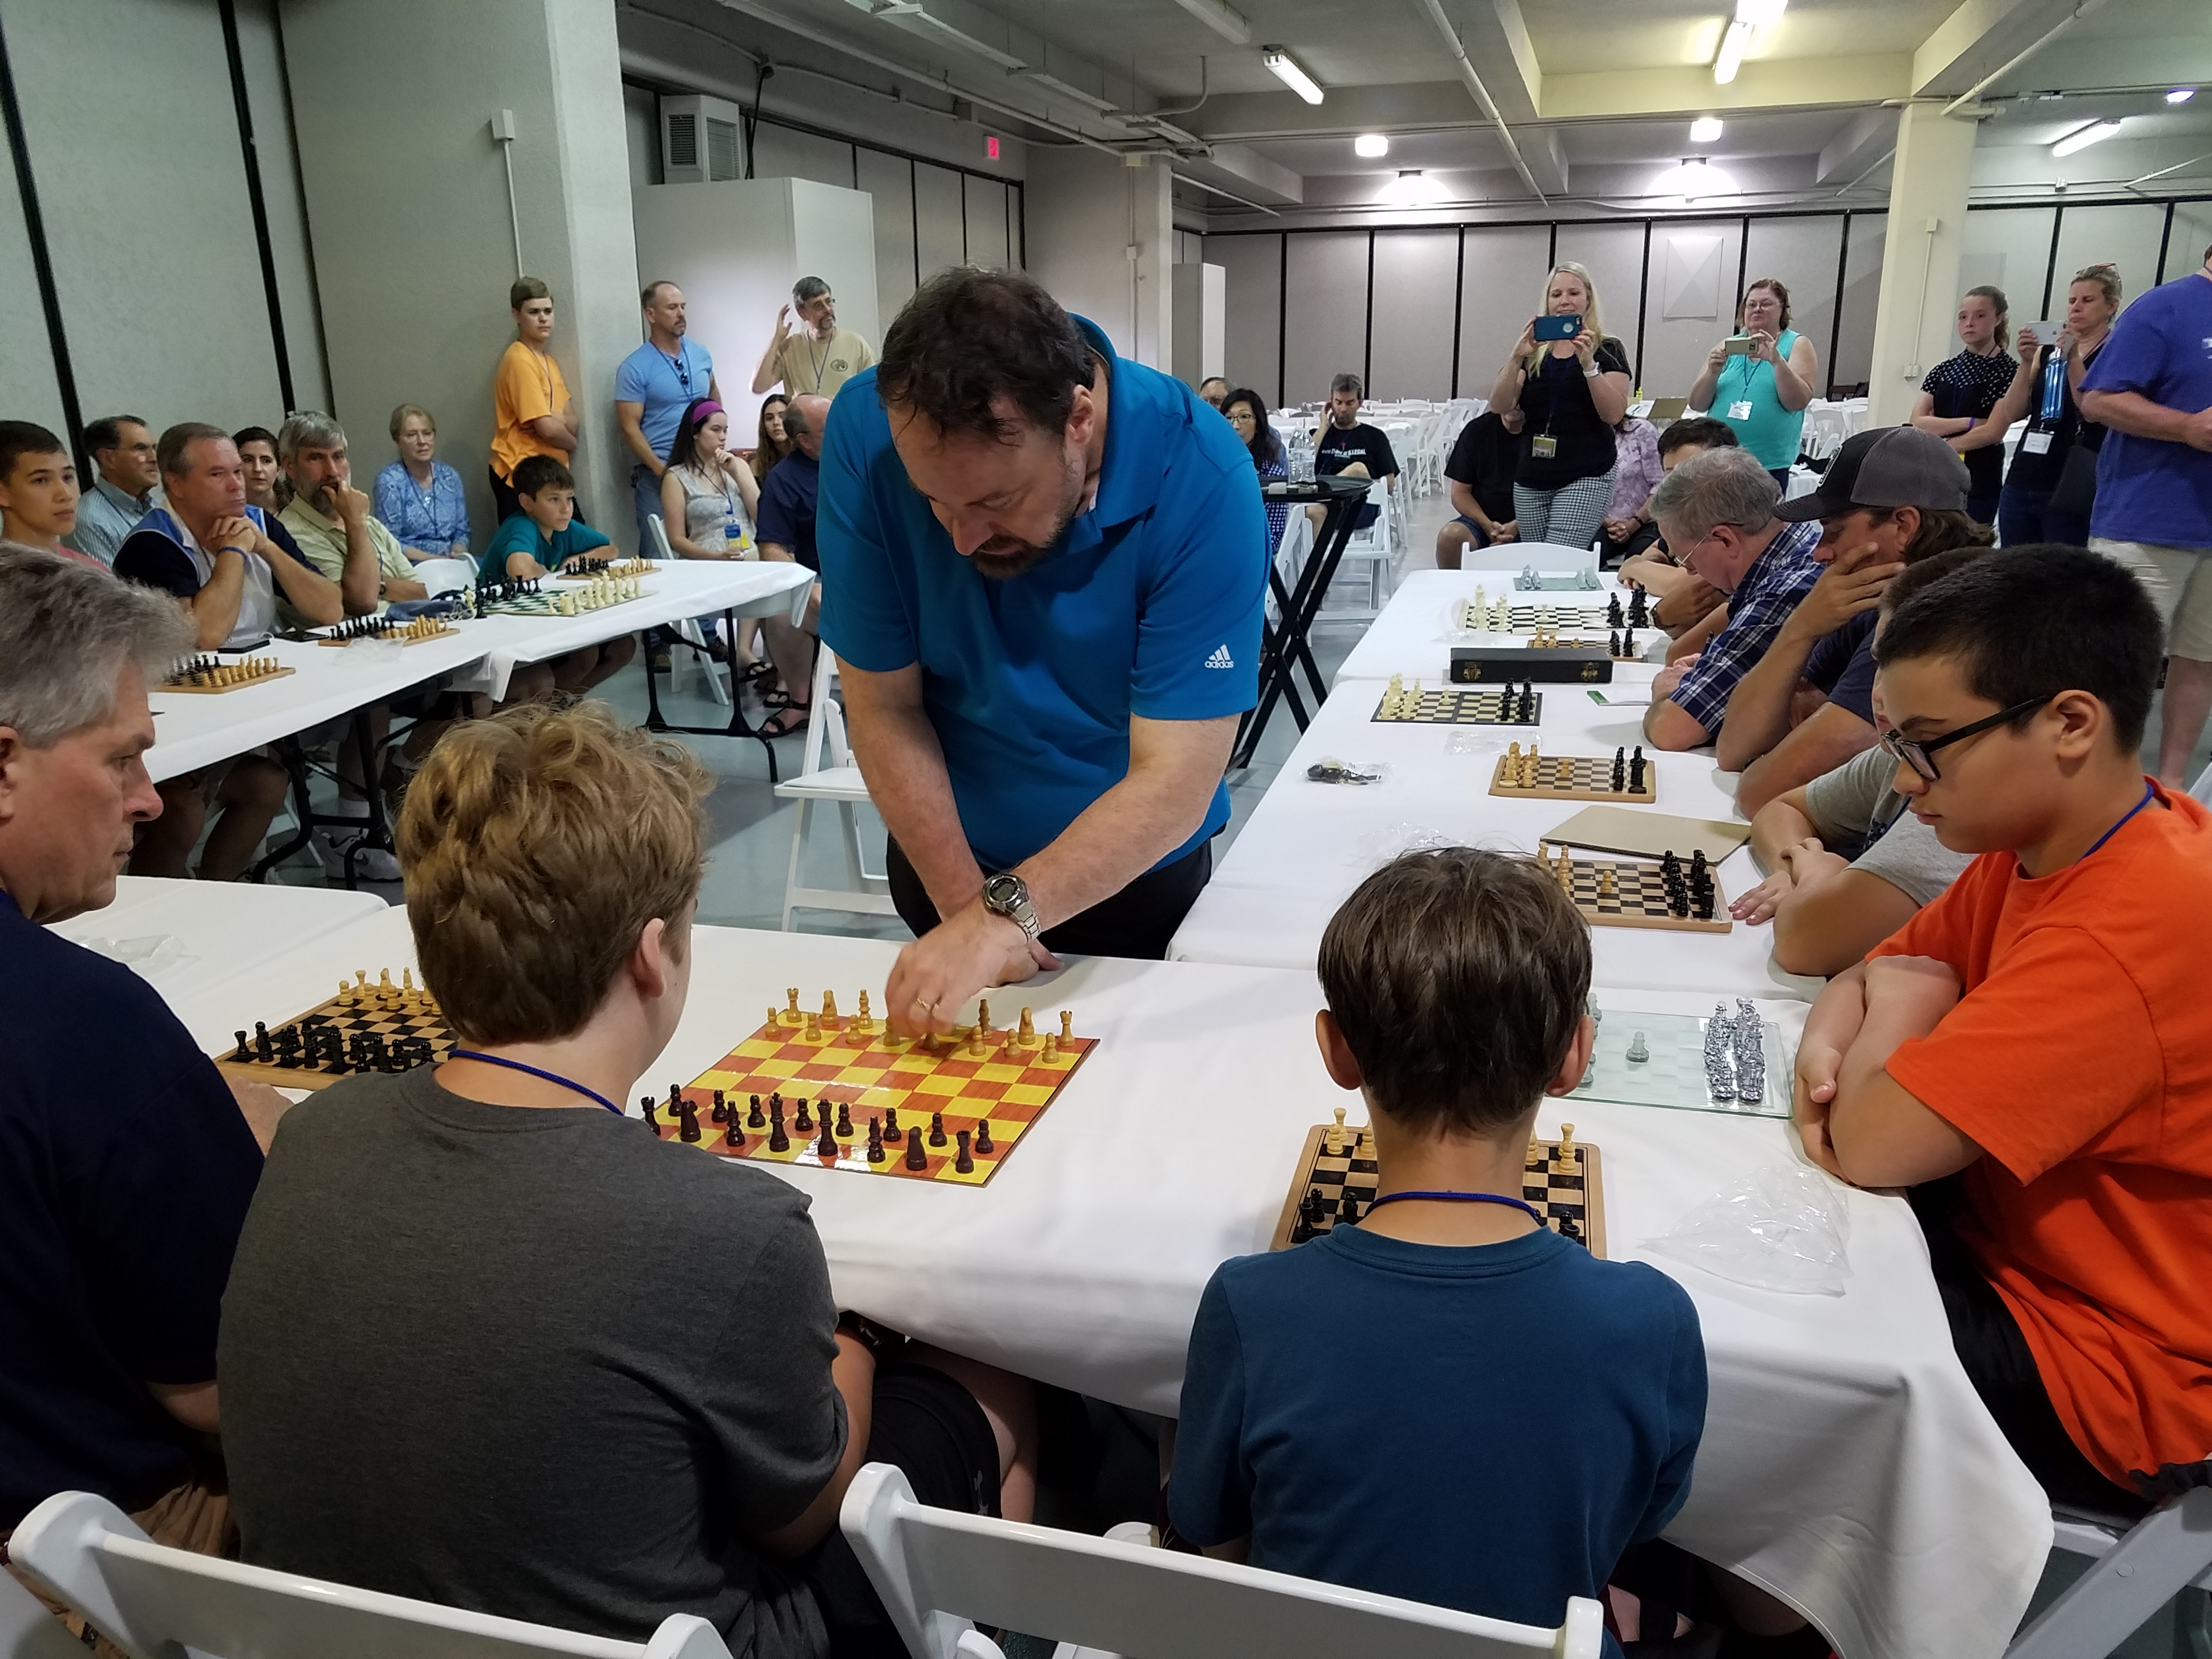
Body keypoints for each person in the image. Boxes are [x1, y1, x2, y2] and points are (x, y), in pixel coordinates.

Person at [217, 699, 1036, 1657]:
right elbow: (804, 1515)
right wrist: (854, 1335)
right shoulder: (730, 1226)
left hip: (333, 1633)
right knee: (995, 1367)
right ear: (653, 955)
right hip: (696, 1639)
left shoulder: (313, 1134)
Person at [1170, 848, 1704, 1634]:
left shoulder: (1249, 1304)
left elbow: (1216, 1534)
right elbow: (1634, 1524)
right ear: (1574, 1055)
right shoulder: (1653, 1319)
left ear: (1336, 1050)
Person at [1793, 545, 2212, 1516]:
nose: (1906, 783)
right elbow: (1864, 970)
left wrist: (1895, 1007)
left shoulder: (2131, 927)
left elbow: (1872, 1140)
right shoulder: (2049, 840)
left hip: (2111, 1364)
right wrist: (1841, 1036)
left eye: (1929, 745)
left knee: (1739, 1356)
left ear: (2070, 723)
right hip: (1994, 1241)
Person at [819, 267, 1266, 1016]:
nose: (961, 540)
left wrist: (999, 922)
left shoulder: (1201, 472)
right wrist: (972, 917)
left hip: (1134, 885)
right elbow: (883, 705)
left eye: (996, 500)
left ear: (1078, 419)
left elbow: (1177, 777)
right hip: (946, 868)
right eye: (934, 502)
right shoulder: (872, 429)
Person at [0, 549, 285, 1584]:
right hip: (83, 1555)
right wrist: (280, 1160)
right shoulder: (83, 1024)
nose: (151, 802)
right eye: (123, 760)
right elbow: (224, 1388)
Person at [1730, 549, 1988, 977]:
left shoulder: (1964, 792)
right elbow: (1780, 808)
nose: (1880, 694)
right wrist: (1792, 868)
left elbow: (1807, 943)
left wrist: (1817, 877)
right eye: (1877, 665)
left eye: (1905, 675)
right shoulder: (1898, 754)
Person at [1718, 427, 1993, 815]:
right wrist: (1801, 629)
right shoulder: (1867, 598)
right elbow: (1736, 749)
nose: (1819, 553)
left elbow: (1759, 791)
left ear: (1904, 526)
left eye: (1834, 531)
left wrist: (1799, 726)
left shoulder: (1942, 616)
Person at [2079, 240, 2212, 788]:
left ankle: (2173, 788)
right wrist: (2185, 427)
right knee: (2118, 666)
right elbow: (2098, 399)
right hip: (2147, 521)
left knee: (2201, 660)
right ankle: (2100, 790)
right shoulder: (2167, 306)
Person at [1641, 448, 1821, 752]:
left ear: (1725, 539)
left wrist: (1664, 692)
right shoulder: (1797, 542)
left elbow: (1672, 730)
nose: (1690, 570)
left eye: (1686, 557)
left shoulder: (1783, 590)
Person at [114, 424, 340, 650]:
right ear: (176, 485)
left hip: (263, 660)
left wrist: (266, 547)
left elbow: (331, 610)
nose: (237, 485)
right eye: (218, 474)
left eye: (238, 472)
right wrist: (233, 552)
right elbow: (203, 638)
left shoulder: (259, 522)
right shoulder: (151, 543)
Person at [1488, 262, 1633, 551]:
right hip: (1532, 475)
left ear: (1588, 298)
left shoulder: (1607, 348)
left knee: (1560, 558)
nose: (1564, 301)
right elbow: (1499, 405)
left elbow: (1614, 414)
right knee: (1535, 560)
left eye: (1573, 293)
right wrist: (1516, 357)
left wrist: (1589, 366)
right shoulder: (1535, 351)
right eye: (1556, 295)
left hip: (1586, 473)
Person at [479, 456, 637, 695]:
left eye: (570, 498)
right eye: (554, 499)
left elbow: (610, 549)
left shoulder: (563, 526)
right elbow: (521, 572)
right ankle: (548, 711)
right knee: (584, 654)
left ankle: (563, 705)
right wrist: (543, 569)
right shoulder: (522, 526)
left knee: (622, 648)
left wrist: (579, 560)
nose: (566, 508)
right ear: (527, 502)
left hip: (540, 616)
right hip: (499, 621)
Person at [1989, 264, 2117, 548]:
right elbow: (2013, 412)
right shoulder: (2047, 351)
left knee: (2062, 568)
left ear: (2111, 306)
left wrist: (2074, 359)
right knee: (2013, 564)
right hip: (2026, 471)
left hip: (2071, 476)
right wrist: (2026, 361)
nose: (2076, 308)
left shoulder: (2114, 351)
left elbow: (2091, 411)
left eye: (2087, 300)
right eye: (2072, 301)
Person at [278, 412, 429, 619]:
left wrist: (377, 584)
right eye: (316, 458)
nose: (332, 472)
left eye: (338, 457)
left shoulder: (370, 523)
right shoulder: (287, 532)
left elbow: (420, 593)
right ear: (290, 467)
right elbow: (361, 602)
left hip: (408, 629)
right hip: (354, 637)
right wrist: (355, 524)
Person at [1687, 278, 1819, 490]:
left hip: (1768, 465)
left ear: (1782, 309)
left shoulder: (1797, 344)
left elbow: (1797, 402)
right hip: (1719, 461)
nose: (1757, 309)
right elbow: (1697, 404)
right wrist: (1712, 373)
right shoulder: (1727, 346)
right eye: (1751, 305)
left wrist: (1777, 362)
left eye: (1766, 304)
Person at [618, 281, 719, 550]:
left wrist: (718, 444)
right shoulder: (635, 367)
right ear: (651, 314)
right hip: (659, 474)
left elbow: (713, 397)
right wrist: (664, 473)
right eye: (672, 308)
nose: (681, 314)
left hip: (703, 469)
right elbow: (629, 428)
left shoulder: (700, 354)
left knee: (712, 546)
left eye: (683, 307)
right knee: (660, 553)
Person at [754, 394, 829, 737]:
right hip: (822, 580)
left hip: (879, 574)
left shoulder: (861, 460)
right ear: (805, 441)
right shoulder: (783, 480)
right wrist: (808, 584)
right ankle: (801, 702)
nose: (842, 428)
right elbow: (771, 548)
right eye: (829, 427)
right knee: (782, 612)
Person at [1910, 285, 2017, 526]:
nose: (1969, 323)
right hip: (1937, 471)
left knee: (1972, 539)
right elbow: (1918, 421)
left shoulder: (2010, 371)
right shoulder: (1944, 369)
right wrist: (1970, 423)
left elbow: (1992, 432)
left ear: (1998, 319)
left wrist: (1943, 440)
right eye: (1963, 317)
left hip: (1980, 471)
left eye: (1980, 316)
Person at [1616, 417, 1739, 625]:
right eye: (1671, 475)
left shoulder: (1733, 519)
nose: (1677, 486)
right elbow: (1654, 553)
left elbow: (1684, 586)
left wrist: (1636, 566)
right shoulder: (1687, 520)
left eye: (1688, 473)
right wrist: (1646, 566)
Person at [491, 276, 579, 526]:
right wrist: (571, 443)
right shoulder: (519, 360)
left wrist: (555, 419)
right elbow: (547, 429)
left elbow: (572, 421)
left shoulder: (547, 361)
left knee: (575, 540)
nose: (543, 318)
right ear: (516, 315)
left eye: (548, 311)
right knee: (528, 545)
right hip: (519, 472)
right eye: (534, 312)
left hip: (549, 473)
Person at [659, 397, 763, 560]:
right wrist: (716, 556)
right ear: (695, 433)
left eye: (725, 430)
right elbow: (677, 540)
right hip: (707, 559)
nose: (723, 437)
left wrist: (737, 474)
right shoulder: (676, 477)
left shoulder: (737, 465)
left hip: (749, 554)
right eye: (715, 430)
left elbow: (762, 519)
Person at [373, 404, 472, 561]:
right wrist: (433, 560)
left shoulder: (450, 476)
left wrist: (458, 552)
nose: (422, 441)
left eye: (427, 433)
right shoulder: (389, 481)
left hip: (451, 562)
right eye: (412, 435)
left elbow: (462, 531)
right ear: (397, 440)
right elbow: (390, 540)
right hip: (411, 564)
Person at [752, 276, 874, 401]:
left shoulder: (856, 343)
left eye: (829, 302)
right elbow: (758, 387)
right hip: (800, 414)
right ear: (802, 313)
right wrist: (776, 341)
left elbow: (875, 389)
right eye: (818, 305)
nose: (828, 309)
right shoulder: (789, 347)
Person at [1306, 374, 1397, 536]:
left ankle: (1332, 492)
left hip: (1359, 504)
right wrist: (1323, 427)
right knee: (1312, 512)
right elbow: (1304, 464)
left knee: (1358, 470)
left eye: (1350, 403)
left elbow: (1389, 485)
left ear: (1360, 403)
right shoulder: (1318, 435)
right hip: (1323, 505)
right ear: (1330, 403)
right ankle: (1317, 555)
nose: (1343, 409)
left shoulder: (1375, 437)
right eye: (1338, 403)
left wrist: (1359, 481)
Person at [66, 415, 161, 568]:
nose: (154, 459)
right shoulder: (88, 520)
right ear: (108, 458)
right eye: (140, 449)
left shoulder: (159, 504)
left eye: (154, 449)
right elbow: (106, 584)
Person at [0, 422, 98, 570]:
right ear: (3, 493)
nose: (65, 495)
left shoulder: (91, 570)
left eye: (68, 478)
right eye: (40, 480)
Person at [1435, 406, 1522, 569]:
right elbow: (1460, 493)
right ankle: (1454, 585)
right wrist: (1488, 526)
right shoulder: (1477, 430)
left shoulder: (1545, 430)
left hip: (1532, 521)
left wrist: (1519, 525)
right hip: (1481, 522)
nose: (1514, 404)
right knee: (1450, 537)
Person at [1221, 388, 1288, 554]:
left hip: (1249, 553)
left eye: (1244, 417)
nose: (1235, 426)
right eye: (1229, 418)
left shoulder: (1272, 473)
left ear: (1258, 424)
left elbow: (1274, 538)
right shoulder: (1213, 467)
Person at [1600, 414, 1663, 566]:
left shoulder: (1641, 430)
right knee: (1584, 552)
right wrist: (1605, 521)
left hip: (1646, 520)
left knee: (1639, 559)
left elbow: (1661, 484)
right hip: (1605, 524)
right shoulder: (1583, 437)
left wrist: (1634, 524)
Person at [234, 426, 285, 518]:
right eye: (248, 460)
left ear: (279, 468)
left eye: (266, 461)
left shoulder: (295, 512)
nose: (258, 469)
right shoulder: (220, 513)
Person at [753, 392, 794, 481]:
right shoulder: (757, 464)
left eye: (782, 416)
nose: (776, 423)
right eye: (769, 418)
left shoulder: (809, 455)